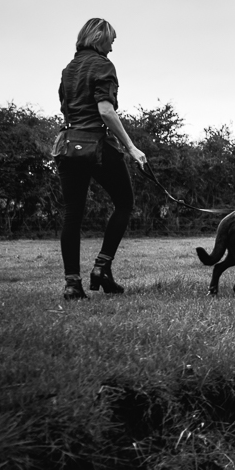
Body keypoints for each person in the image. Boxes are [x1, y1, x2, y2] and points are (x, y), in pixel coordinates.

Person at [55, 17, 147, 300]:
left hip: (68, 146)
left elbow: (66, 108)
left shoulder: (69, 69)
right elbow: (106, 110)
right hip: (95, 144)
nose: (112, 47)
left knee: (72, 214)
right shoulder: (103, 65)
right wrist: (131, 147)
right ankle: (101, 268)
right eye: (111, 40)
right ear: (99, 38)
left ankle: (73, 284)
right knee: (125, 202)